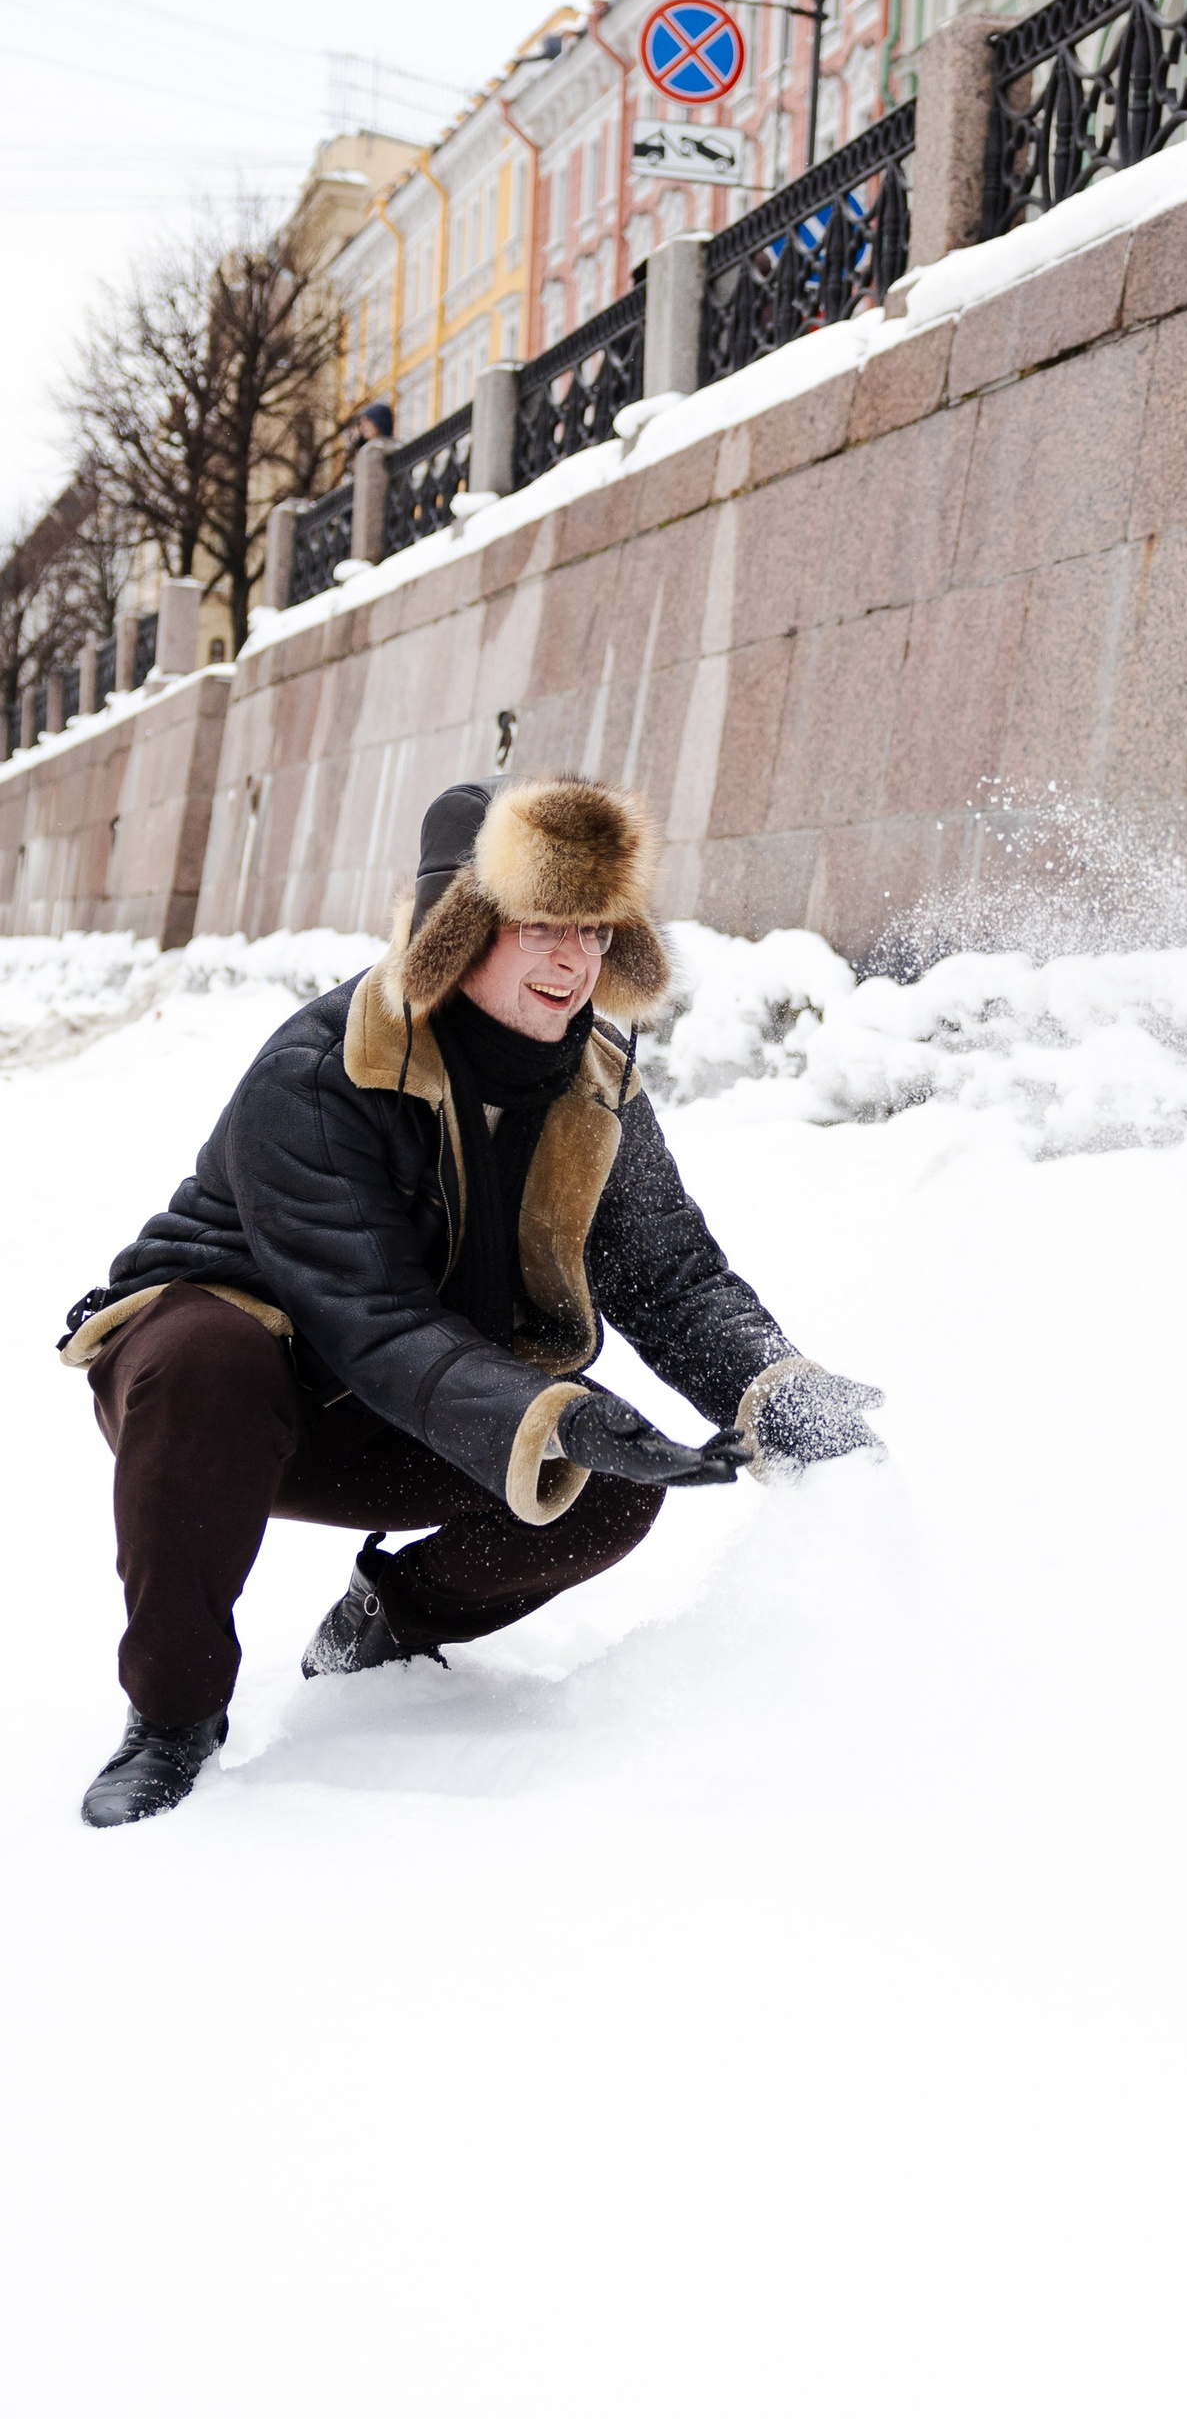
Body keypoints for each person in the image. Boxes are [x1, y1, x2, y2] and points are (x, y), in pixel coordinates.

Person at [63, 772, 880, 1830]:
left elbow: (673, 1278)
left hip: (418, 1401)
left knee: (602, 1480)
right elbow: (371, 1316)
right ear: (459, 929)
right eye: (542, 923)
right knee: (204, 1360)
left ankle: (385, 1624)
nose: (574, 959)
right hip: (237, 1394)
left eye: (594, 929)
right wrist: (548, 1406)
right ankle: (172, 1715)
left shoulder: (594, 1086)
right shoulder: (323, 1070)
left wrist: (778, 1391)